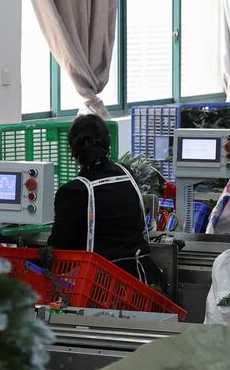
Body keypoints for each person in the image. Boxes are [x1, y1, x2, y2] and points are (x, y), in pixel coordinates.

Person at [49, 113, 160, 283]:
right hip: (142, 279)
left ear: (73, 149)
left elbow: (60, 248)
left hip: (103, 286)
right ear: (108, 143)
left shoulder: (74, 191)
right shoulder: (126, 174)